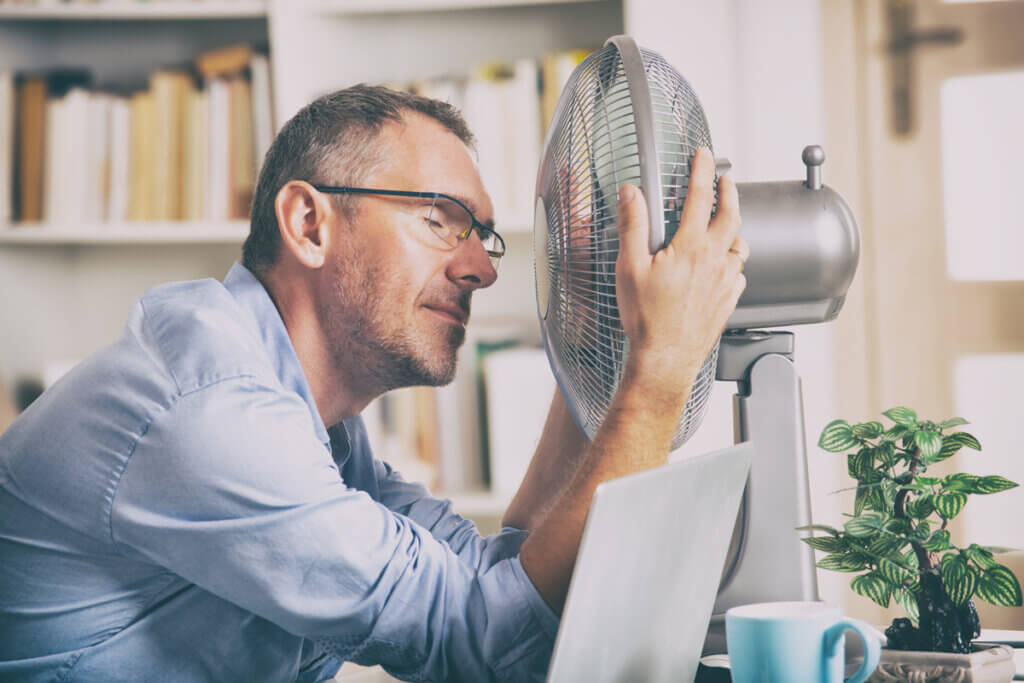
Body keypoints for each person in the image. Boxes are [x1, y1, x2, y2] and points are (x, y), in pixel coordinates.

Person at [0, 85, 747, 682]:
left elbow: (499, 580)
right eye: (440, 218)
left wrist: (594, 343)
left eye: (482, 236)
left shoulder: (319, 428)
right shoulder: (214, 411)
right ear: (309, 223)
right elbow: (484, 647)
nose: (483, 268)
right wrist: (656, 374)